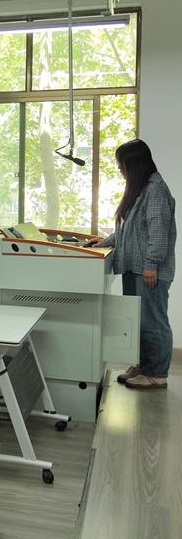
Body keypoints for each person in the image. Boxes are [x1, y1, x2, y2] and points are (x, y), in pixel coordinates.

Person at [90, 139, 176, 389]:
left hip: (148, 271)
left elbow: (158, 232)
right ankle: (144, 366)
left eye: (122, 164)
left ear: (135, 164)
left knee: (153, 322)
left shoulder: (156, 190)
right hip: (134, 267)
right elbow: (131, 231)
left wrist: (151, 264)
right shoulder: (142, 188)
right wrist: (105, 240)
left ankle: (157, 374)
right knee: (139, 321)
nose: (119, 169)